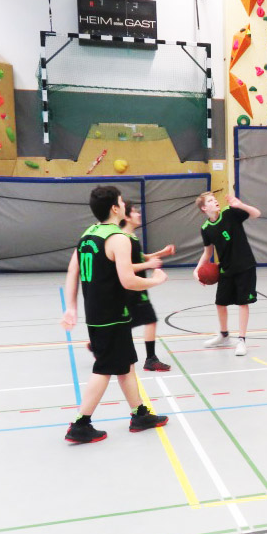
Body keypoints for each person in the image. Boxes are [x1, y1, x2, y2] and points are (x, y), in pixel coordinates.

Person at [61, 185, 169, 444]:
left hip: (96, 312)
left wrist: (71, 306)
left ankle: (139, 414)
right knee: (104, 369)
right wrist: (156, 280)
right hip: (112, 313)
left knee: (126, 364)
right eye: (121, 201)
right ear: (114, 208)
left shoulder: (88, 234)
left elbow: (73, 271)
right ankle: (80, 424)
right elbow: (128, 280)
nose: (124, 205)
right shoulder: (118, 238)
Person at [194, 192, 262, 356]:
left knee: (242, 303)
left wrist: (241, 205)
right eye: (210, 201)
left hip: (245, 266)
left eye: (215, 199)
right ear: (204, 208)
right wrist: (197, 269)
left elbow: (256, 213)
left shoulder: (229, 213)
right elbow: (208, 252)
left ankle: (242, 340)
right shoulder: (206, 229)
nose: (215, 201)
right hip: (225, 269)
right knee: (220, 303)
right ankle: (224, 335)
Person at [118, 201, 175, 371]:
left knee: (127, 322)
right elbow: (125, 267)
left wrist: (161, 253)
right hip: (132, 287)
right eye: (135, 212)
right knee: (149, 319)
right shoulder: (123, 239)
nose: (138, 214)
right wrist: (148, 265)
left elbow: (139, 257)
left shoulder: (132, 237)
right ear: (127, 217)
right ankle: (150, 359)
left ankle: (98, 343)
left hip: (137, 287)